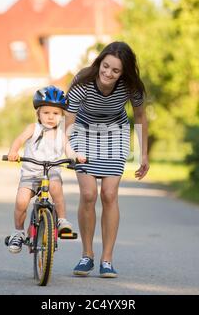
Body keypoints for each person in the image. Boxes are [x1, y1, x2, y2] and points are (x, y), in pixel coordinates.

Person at [65, 41, 149, 278]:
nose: (108, 73)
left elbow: (140, 115)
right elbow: (69, 120)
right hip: (83, 131)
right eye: (106, 66)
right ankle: (86, 255)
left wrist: (143, 153)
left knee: (109, 194)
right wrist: (68, 148)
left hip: (115, 133)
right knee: (89, 194)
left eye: (115, 70)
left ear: (124, 73)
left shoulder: (131, 86)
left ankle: (107, 260)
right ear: (99, 62)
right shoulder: (82, 81)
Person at [5, 85, 86, 254]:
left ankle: (62, 220)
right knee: (21, 201)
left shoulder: (61, 134)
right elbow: (19, 140)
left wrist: (76, 156)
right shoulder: (33, 129)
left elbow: (68, 148)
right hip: (30, 173)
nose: (50, 117)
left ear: (62, 115)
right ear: (38, 114)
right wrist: (13, 152)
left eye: (55, 113)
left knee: (56, 188)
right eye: (46, 113)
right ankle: (18, 232)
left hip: (52, 172)